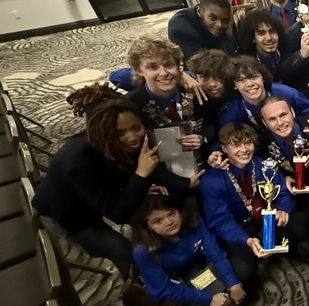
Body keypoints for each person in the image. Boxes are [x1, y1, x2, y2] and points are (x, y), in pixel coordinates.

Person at [32, 85, 200, 276]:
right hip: (70, 214)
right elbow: (118, 214)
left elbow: (149, 164)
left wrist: (187, 184)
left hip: (104, 189)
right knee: (121, 250)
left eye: (136, 128)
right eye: (120, 133)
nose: (132, 137)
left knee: (153, 202)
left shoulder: (122, 141)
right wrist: (140, 175)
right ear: (105, 133)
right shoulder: (78, 163)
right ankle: (147, 284)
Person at [131, 194, 252, 306]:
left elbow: (215, 253)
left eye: (172, 214)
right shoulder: (143, 251)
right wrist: (209, 299)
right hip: (180, 282)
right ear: (148, 226)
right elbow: (165, 289)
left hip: (203, 262)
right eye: (158, 221)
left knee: (237, 279)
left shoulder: (193, 220)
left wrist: (232, 282)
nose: (169, 222)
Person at [200, 123, 305, 262]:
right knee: (244, 269)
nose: (244, 150)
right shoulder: (211, 180)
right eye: (236, 145)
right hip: (240, 226)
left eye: (248, 143)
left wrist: (283, 209)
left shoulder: (265, 165)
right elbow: (220, 221)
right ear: (224, 148)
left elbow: (284, 193)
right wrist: (246, 240)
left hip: (266, 217)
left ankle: (279, 248)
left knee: (299, 225)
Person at [125, 34, 209, 156]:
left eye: (168, 65)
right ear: (139, 70)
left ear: (178, 66)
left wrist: (202, 137)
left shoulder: (194, 91)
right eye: (153, 67)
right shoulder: (130, 106)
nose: (163, 73)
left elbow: (211, 122)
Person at [217, 56, 309, 135]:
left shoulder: (286, 92)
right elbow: (223, 138)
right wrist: (216, 150)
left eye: (254, 77)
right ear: (234, 85)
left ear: (263, 78)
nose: (250, 84)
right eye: (241, 80)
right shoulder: (231, 113)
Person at [168, 0, 234, 62]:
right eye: (213, 18)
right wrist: (229, 30)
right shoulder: (180, 28)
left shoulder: (219, 21)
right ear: (199, 11)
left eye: (225, 20)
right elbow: (207, 64)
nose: (220, 25)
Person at [235, 8, 289, 81]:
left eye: (272, 31)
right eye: (261, 33)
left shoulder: (287, 55)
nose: (269, 38)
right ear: (253, 38)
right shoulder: (246, 66)